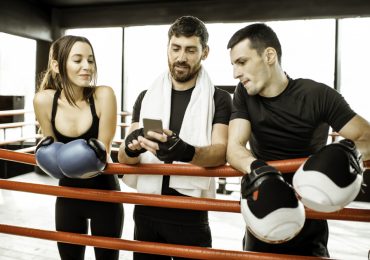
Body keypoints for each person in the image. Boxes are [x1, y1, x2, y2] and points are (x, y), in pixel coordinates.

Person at [226, 23, 370, 257]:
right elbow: (234, 148)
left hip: (311, 213)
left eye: (242, 62)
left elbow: (367, 136)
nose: (235, 73)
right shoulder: (244, 93)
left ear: (269, 55)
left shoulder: (318, 95)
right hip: (262, 210)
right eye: (233, 65)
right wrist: (261, 171)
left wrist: (345, 155)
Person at [118, 16, 231, 260]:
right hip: (147, 209)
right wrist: (132, 145)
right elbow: (124, 158)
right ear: (167, 48)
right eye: (176, 48)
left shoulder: (218, 99)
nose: (181, 57)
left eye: (191, 50)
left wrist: (187, 152)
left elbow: (221, 150)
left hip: (190, 212)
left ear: (205, 52)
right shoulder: (146, 96)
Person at [33, 35, 124, 260]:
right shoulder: (43, 101)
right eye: (78, 60)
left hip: (104, 193)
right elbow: (51, 153)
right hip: (68, 196)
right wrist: (51, 158)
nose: (87, 67)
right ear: (56, 65)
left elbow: (101, 154)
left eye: (90, 60)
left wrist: (67, 161)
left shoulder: (104, 95)